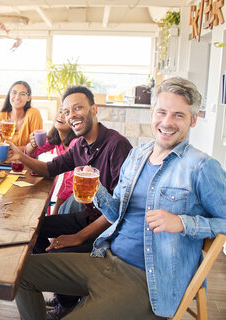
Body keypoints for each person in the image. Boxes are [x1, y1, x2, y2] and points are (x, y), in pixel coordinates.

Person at [15, 77, 226, 320]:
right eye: (162, 112)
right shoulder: (138, 155)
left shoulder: (201, 167)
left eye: (178, 115)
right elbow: (116, 212)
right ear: (152, 112)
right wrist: (98, 192)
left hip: (147, 280)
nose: (167, 122)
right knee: (19, 273)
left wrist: (183, 223)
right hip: (105, 257)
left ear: (194, 119)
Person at [8, 85, 132, 319]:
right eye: (66, 111)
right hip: (88, 217)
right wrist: (21, 156)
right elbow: (49, 168)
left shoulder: (117, 145)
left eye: (78, 108)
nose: (71, 115)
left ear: (94, 109)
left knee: (54, 251)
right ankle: (66, 296)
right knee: (35, 228)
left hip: (109, 231)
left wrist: (79, 236)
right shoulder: (80, 145)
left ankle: (66, 302)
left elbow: (120, 210)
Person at [25, 107, 78, 215]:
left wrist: (55, 213)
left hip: (79, 196)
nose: (61, 115)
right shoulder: (56, 138)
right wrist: (32, 144)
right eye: (60, 111)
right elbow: (30, 153)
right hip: (69, 194)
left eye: (66, 113)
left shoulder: (76, 143)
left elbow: (69, 183)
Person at [0, 81, 43, 149]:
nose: (17, 97)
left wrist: (8, 148)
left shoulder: (33, 113)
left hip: (26, 159)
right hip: (3, 159)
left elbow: (37, 146)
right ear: (9, 95)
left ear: (28, 98)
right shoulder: (1, 116)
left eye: (22, 94)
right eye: (14, 92)